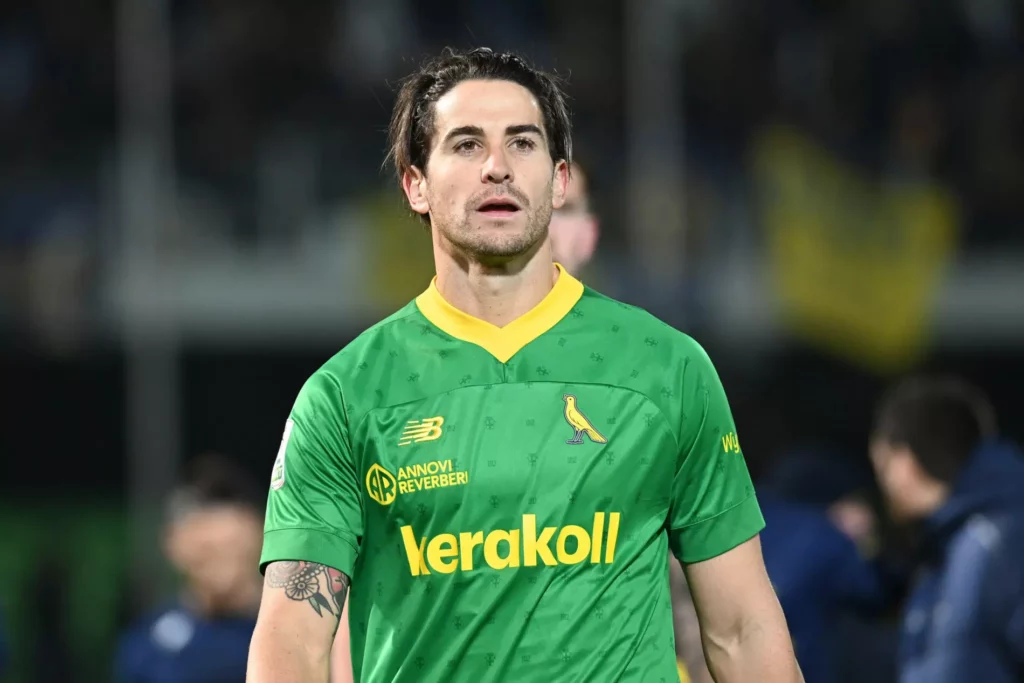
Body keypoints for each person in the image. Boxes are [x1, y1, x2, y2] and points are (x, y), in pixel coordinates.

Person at [249, 47, 801, 683]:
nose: (497, 167)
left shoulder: (666, 368)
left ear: (559, 180)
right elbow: (292, 643)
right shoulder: (346, 396)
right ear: (415, 184)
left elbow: (741, 629)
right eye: (466, 145)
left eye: (522, 143)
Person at [869, 376, 1024, 683]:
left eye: (881, 465)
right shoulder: (946, 546)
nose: (882, 486)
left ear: (903, 462)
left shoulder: (997, 545)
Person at [116, 454, 264, 683]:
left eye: (230, 548)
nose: (219, 569)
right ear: (173, 545)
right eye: (206, 553)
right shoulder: (149, 647)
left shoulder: (295, 631)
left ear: (256, 533)